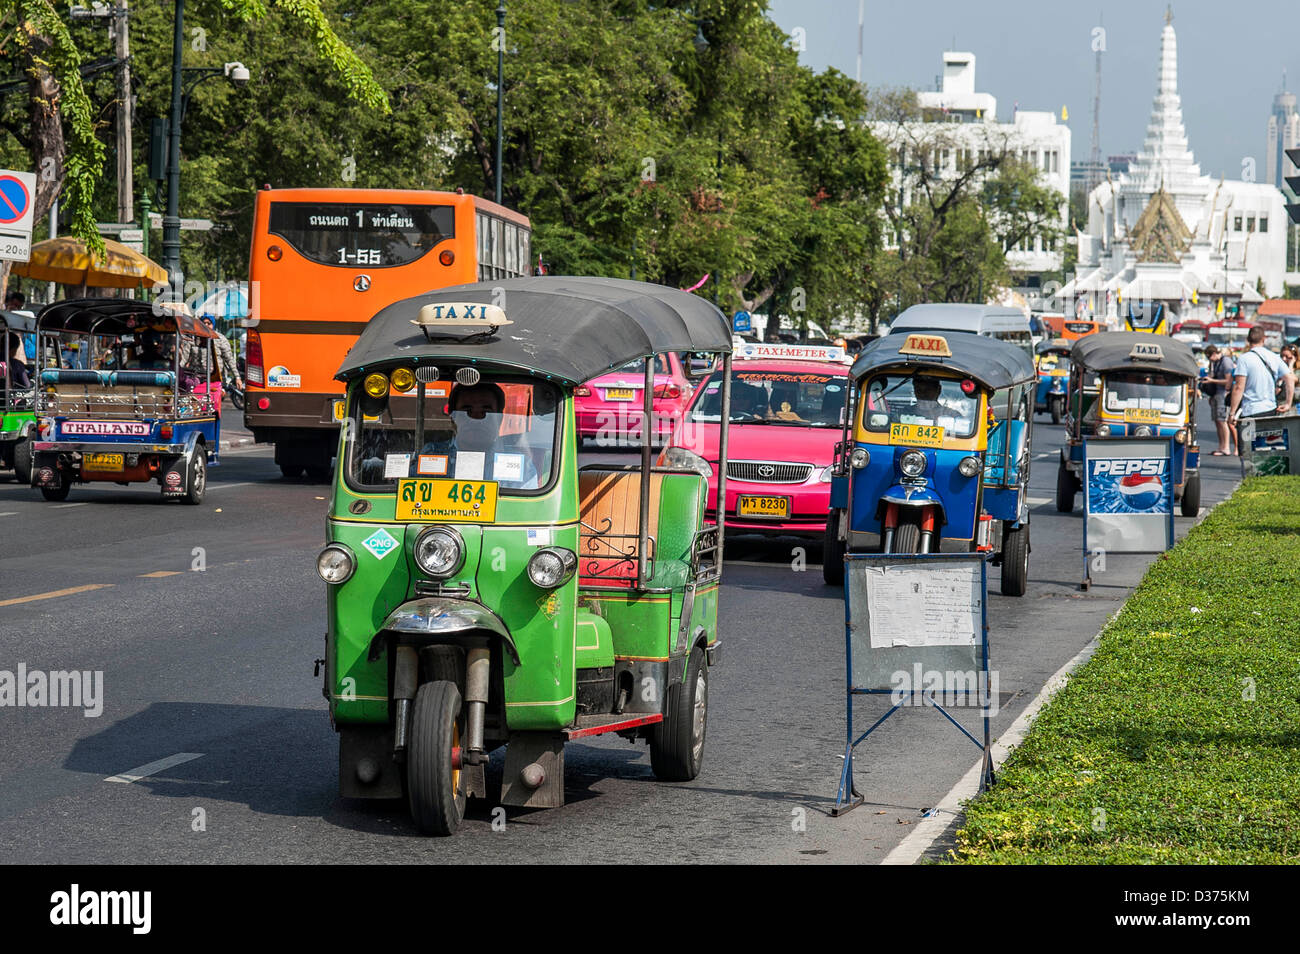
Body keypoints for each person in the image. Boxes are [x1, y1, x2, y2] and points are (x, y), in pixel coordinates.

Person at [412, 382, 540, 489]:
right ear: (453, 418)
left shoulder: (520, 466)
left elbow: (525, 512)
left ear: (499, 418)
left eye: (486, 412)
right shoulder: (432, 454)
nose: (476, 419)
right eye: (467, 411)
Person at [1228, 326, 1295, 444]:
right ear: (1263, 339)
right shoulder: (1274, 357)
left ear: (1248, 340)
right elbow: (1290, 378)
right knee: (1268, 447)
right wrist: (1288, 403)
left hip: (1250, 411)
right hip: (1270, 410)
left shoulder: (1244, 359)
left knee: (1248, 450)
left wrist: (1232, 413)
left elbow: (1239, 387)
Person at [1201, 344, 1236, 455]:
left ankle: (1226, 447)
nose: (1209, 359)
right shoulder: (1215, 363)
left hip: (1223, 394)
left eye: (1209, 356)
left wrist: (1211, 381)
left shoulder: (1225, 362)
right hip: (1216, 394)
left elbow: (1228, 381)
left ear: (1215, 353)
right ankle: (1221, 446)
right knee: (1217, 421)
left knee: (1222, 421)